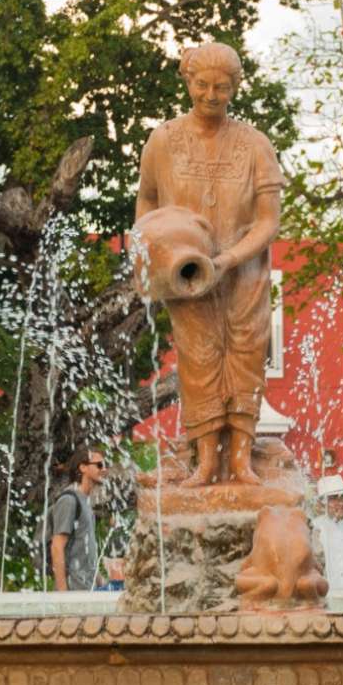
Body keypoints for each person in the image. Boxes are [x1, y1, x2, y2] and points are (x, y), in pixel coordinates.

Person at [135, 42, 284, 486]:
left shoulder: (256, 144)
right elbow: (147, 197)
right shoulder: (163, 140)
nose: (211, 94)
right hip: (188, 272)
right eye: (202, 84)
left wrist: (230, 258)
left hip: (245, 268)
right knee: (198, 357)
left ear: (236, 87)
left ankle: (241, 458)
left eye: (222, 86)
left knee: (246, 351)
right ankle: (205, 461)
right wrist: (149, 243)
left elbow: (269, 220)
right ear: (187, 81)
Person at [49, 447, 105, 591]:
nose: (103, 469)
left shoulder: (86, 502)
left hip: (87, 589)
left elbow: (86, 552)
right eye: (99, 465)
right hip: (73, 591)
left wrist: (101, 582)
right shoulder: (69, 500)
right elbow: (57, 547)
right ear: (83, 467)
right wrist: (63, 594)